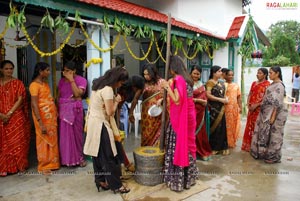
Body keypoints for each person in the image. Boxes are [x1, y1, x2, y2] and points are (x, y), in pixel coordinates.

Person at [83, 66, 130, 194]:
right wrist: (116, 101)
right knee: (110, 156)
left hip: (93, 122)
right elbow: (110, 112)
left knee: (97, 155)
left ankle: (101, 180)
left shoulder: (98, 85)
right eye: (120, 82)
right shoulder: (108, 90)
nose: (120, 85)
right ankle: (116, 185)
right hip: (100, 125)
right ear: (116, 79)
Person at [159, 55, 198, 192]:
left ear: (172, 67)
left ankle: (177, 180)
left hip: (181, 118)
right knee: (188, 145)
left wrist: (166, 87)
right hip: (189, 115)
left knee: (178, 144)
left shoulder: (178, 79)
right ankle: (189, 178)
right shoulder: (187, 79)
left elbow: (176, 100)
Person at [250, 66, 288, 164]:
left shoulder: (279, 85)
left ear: (277, 73)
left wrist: (273, 116)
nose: (269, 74)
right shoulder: (273, 84)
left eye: (271, 73)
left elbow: (277, 102)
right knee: (266, 133)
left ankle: (274, 157)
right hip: (267, 112)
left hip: (276, 113)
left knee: (275, 135)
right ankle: (263, 153)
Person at [0, 60, 30, 176]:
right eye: (6, 68)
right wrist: (1, 115)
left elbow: (20, 99)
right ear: (1, 70)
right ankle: (5, 168)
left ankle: (19, 166)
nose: (9, 71)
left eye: (11, 68)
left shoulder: (18, 83)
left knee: (18, 142)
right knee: (3, 144)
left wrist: (10, 113)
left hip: (15, 117)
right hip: (1, 117)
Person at [29, 62, 60, 175]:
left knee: (52, 138)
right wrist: (40, 122)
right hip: (42, 117)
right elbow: (34, 104)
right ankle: (43, 165)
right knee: (43, 139)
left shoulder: (45, 84)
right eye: (47, 70)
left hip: (50, 118)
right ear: (40, 71)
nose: (48, 72)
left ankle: (53, 163)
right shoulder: (34, 85)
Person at [57, 61, 87, 167]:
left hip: (76, 111)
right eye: (64, 70)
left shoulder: (81, 80)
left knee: (77, 135)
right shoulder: (61, 81)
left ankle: (79, 158)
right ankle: (66, 159)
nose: (65, 73)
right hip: (64, 111)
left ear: (74, 71)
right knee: (64, 136)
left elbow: (78, 94)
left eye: (68, 70)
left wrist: (71, 81)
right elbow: (59, 96)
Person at [129, 64, 165, 146]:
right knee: (146, 135)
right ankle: (146, 154)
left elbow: (168, 95)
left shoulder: (162, 82)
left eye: (148, 74)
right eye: (144, 74)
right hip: (147, 114)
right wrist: (131, 112)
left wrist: (162, 100)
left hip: (159, 113)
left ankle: (157, 155)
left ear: (153, 73)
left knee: (159, 135)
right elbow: (135, 99)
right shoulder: (142, 84)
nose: (146, 76)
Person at [117, 75, 145, 172]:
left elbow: (135, 99)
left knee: (119, 141)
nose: (138, 93)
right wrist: (115, 124)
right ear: (134, 87)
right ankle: (125, 165)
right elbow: (117, 108)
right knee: (117, 141)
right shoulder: (121, 91)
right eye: (138, 90)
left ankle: (125, 164)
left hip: (117, 111)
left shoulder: (131, 91)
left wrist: (130, 113)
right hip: (112, 114)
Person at [241, 68, 270, 152]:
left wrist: (256, 105)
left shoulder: (267, 85)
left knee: (257, 127)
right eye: (257, 73)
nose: (257, 74)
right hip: (251, 109)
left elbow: (266, 98)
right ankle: (248, 145)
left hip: (259, 110)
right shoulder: (254, 83)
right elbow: (250, 93)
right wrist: (248, 104)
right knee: (250, 126)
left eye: (260, 73)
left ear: (265, 75)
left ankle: (256, 146)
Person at [190, 65, 212, 161]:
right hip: (192, 111)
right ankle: (192, 152)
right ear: (190, 73)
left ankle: (200, 151)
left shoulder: (201, 84)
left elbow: (205, 96)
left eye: (198, 74)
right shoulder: (188, 84)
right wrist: (198, 101)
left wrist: (204, 101)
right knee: (191, 131)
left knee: (201, 132)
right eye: (194, 73)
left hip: (201, 112)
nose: (196, 75)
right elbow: (187, 98)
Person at [206, 65, 229, 155]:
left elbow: (223, 94)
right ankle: (214, 148)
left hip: (222, 108)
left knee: (222, 127)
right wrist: (221, 100)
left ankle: (222, 147)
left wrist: (226, 99)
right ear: (213, 73)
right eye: (219, 71)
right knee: (215, 128)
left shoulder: (221, 83)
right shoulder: (210, 83)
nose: (221, 73)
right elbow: (208, 95)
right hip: (213, 109)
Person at [224, 69, 242, 148]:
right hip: (226, 108)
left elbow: (239, 97)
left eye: (232, 75)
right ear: (225, 76)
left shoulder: (236, 85)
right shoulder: (223, 85)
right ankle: (227, 142)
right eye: (229, 75)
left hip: (234, 108)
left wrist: (240, 107)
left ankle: (232, 141)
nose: (230, 76)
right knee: (227, 125)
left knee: (234, 125)